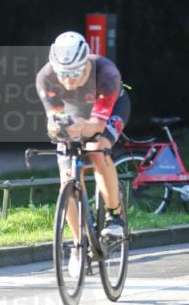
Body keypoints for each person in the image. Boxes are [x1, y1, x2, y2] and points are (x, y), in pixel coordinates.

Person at [36, 31, 130, 270]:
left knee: (97, 149)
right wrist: (56, 126)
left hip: (108, 109)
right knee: (66, 175)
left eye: (75, 73)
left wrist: (82, 129)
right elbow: (53, 118)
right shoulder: (45, 77)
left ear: (86, 63)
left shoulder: (107, 74)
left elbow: (96, 126)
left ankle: (114, 215)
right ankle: (79, 245)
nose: (68, 81)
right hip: (75, 111)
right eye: (63, 74)